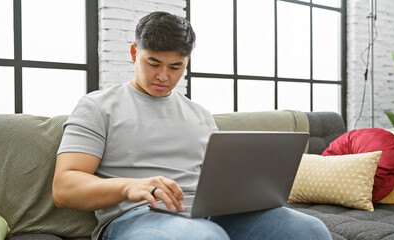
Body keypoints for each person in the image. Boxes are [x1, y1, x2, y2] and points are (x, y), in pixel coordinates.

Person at [52, 11, 331, 240]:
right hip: (137, 216)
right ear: (134, 52)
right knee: (205, 237)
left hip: (208, 212)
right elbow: (64, 188)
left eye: (176, 67)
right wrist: (129, 186)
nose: (163, 76)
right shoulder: (97, 107)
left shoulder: (200, 114)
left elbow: (222, 180)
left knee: (309, 230)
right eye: (153, 63)